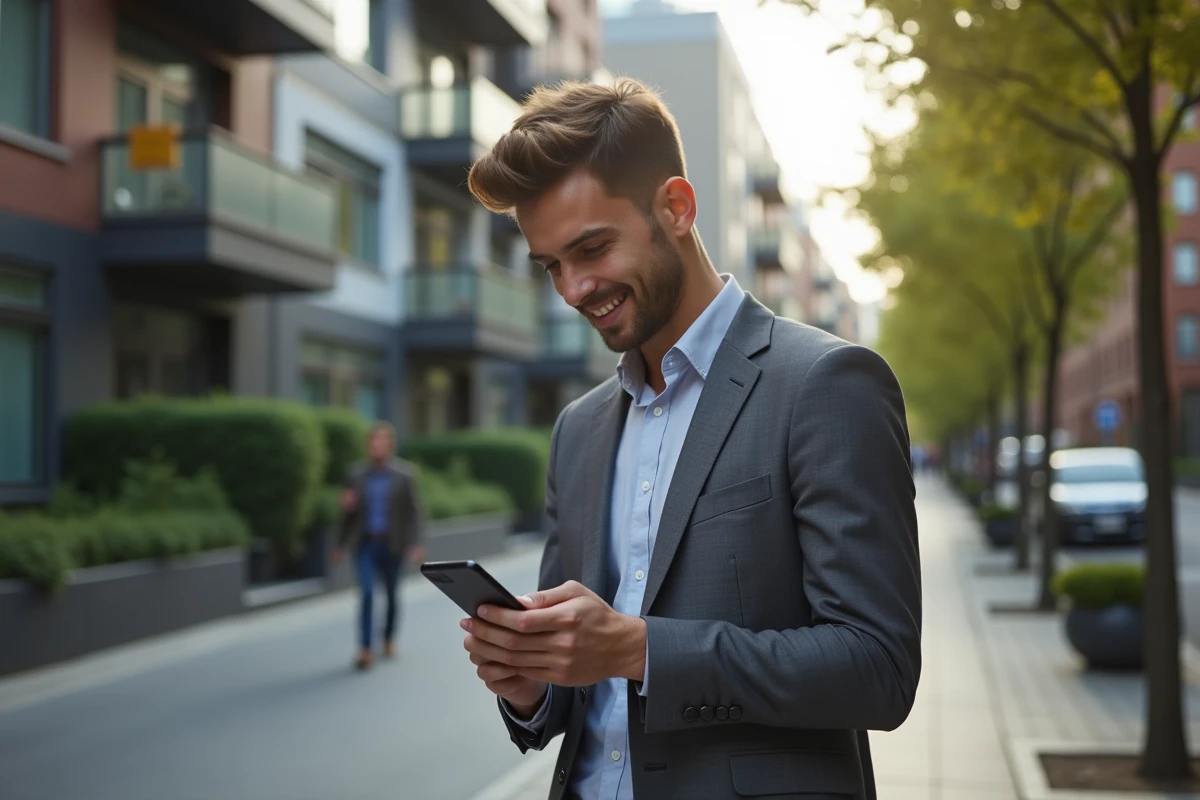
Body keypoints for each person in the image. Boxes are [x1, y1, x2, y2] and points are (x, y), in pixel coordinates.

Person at [458, 78, 922, 800]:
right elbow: (574, 699)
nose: (574, 289)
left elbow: (878, 667)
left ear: (676, 207)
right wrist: (529, 685)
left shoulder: (826, 384)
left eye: (592, 248)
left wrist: (641, 649)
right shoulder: (578, 431)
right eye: (552, 266)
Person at [334, 421, 426, 671]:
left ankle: (387, 638)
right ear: (368, 446)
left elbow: (414, 513)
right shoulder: (355, 475)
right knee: (366, 593)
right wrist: (340, 544)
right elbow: (347, 514)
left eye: (382, 442)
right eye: (373, 442)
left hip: (393, 545)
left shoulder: (405, 475)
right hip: (364, 544)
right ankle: (365, 648)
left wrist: (416, 543)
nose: (377, 447)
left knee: (392, 594)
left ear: (390, 446)